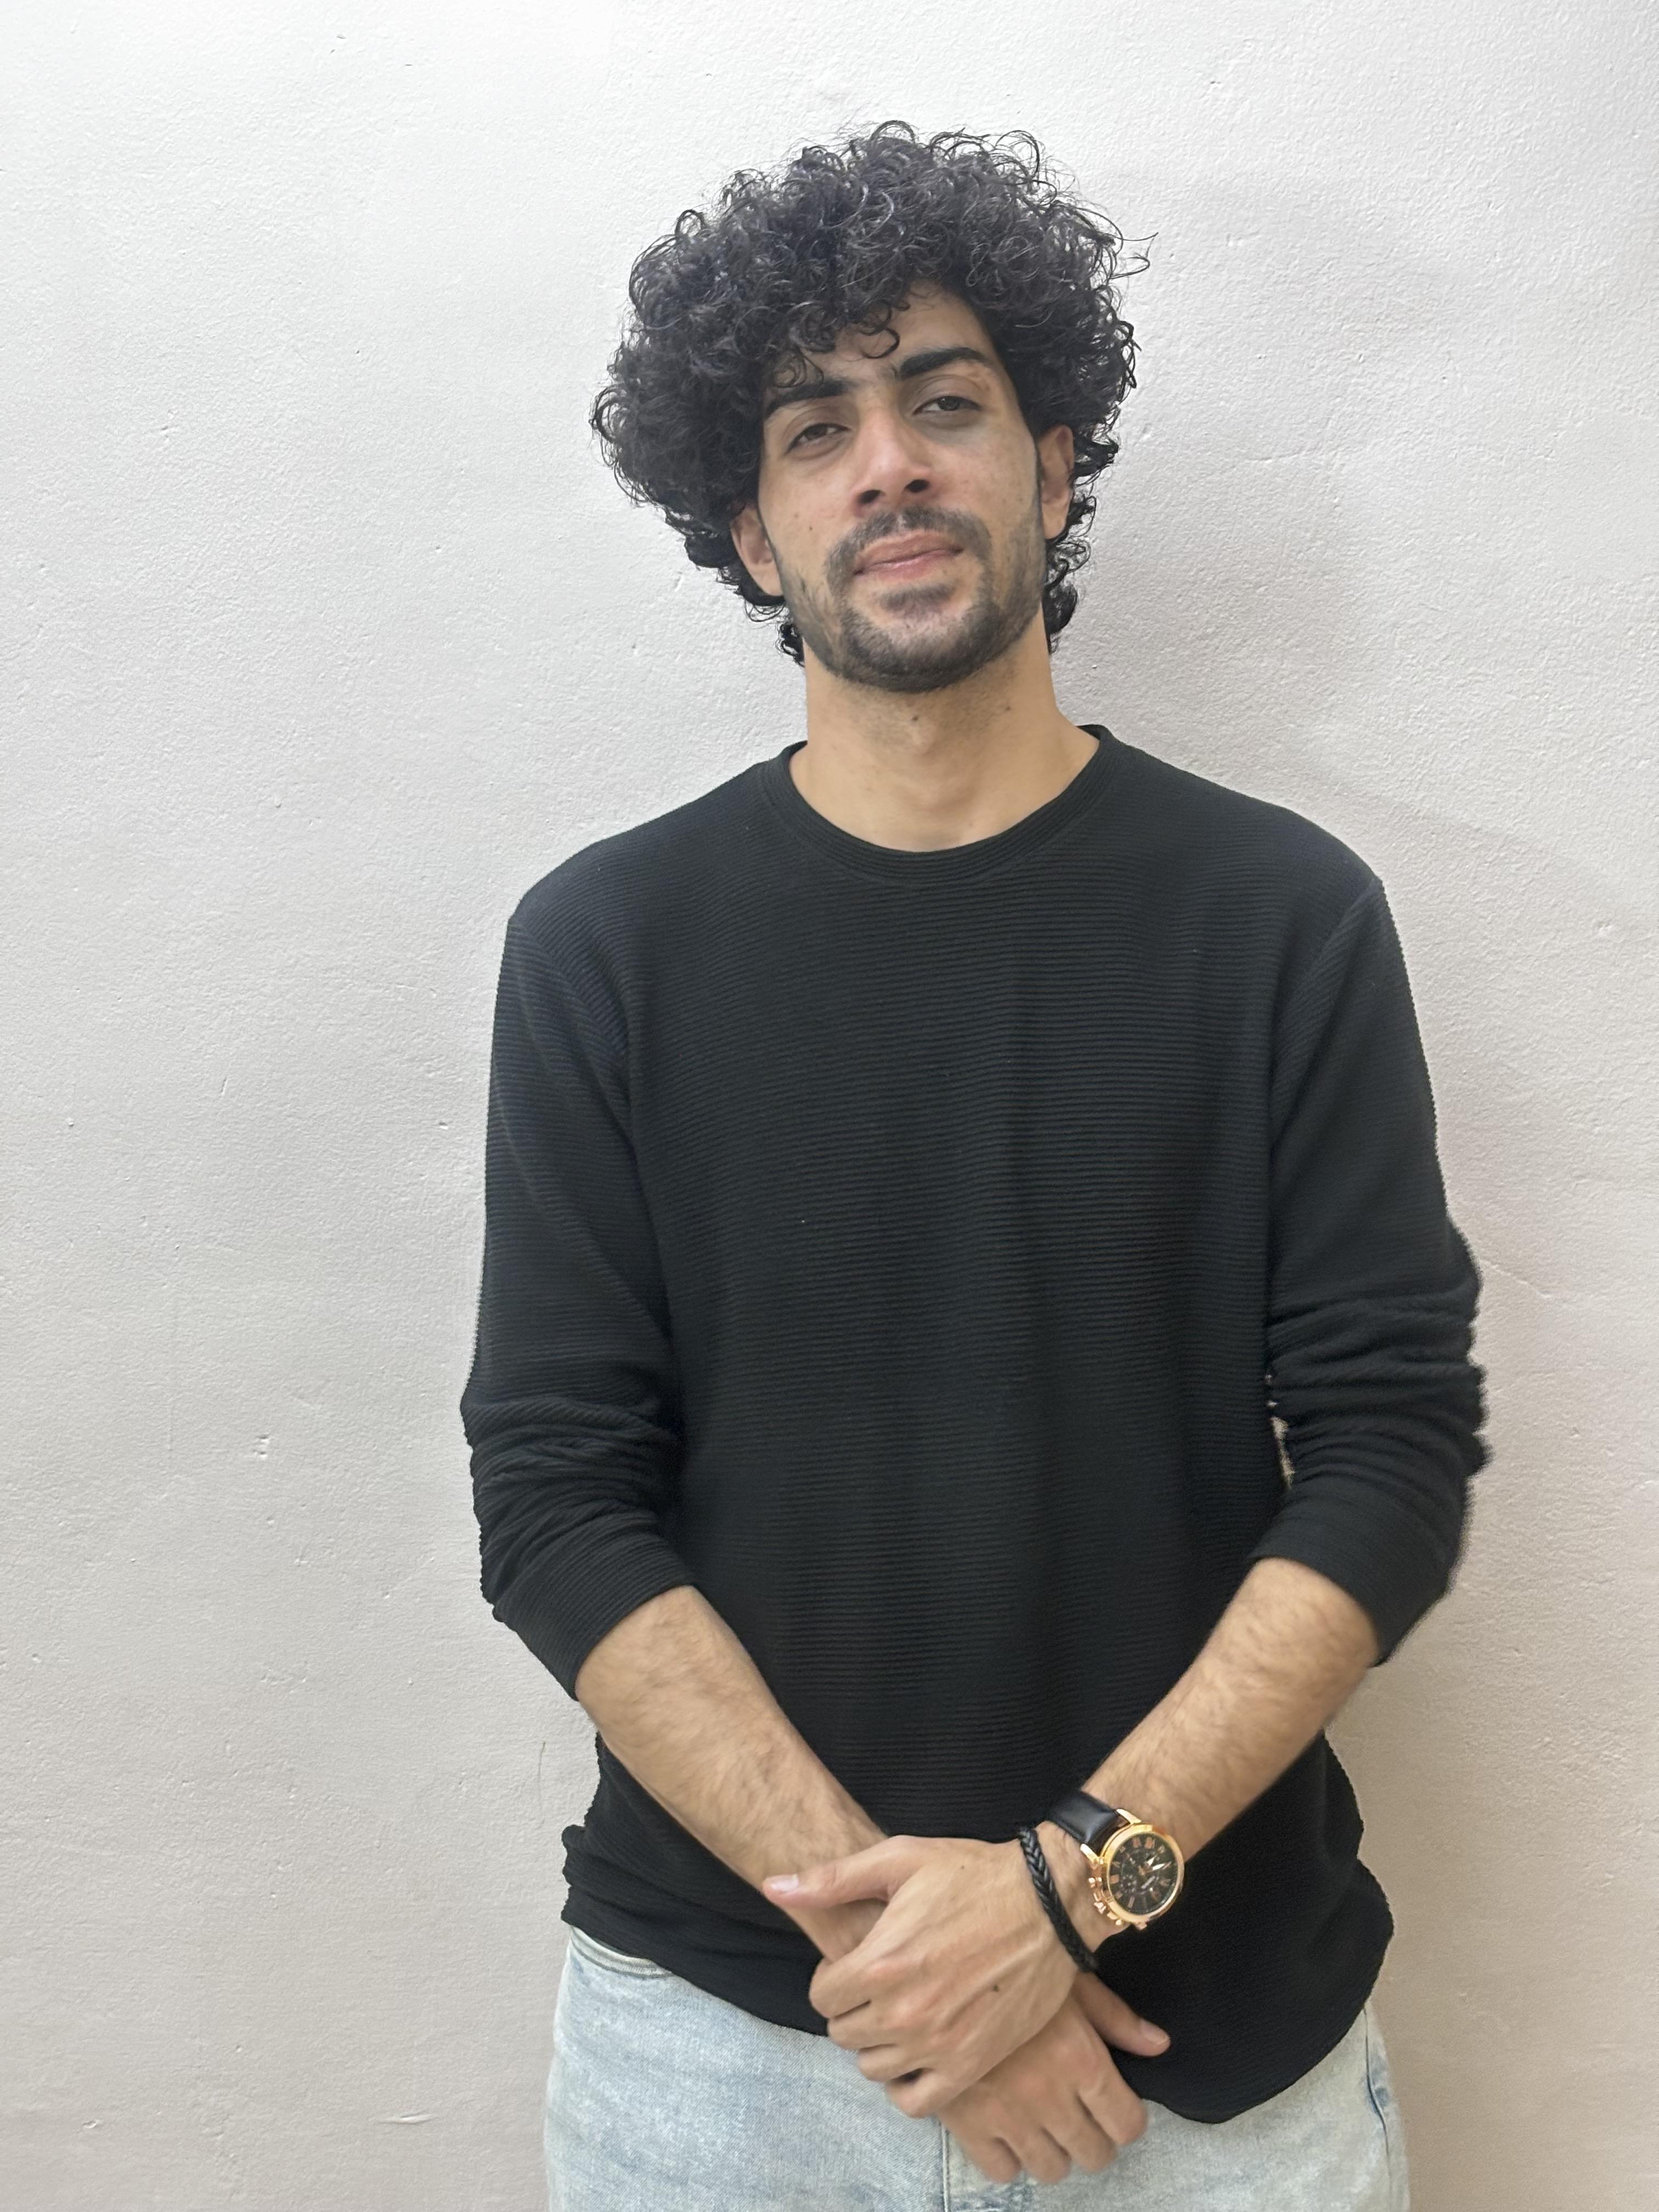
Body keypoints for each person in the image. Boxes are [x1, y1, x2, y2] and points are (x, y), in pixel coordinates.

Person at [458, 120, 1487, 2210]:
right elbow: (555, 1492)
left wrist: (1065, 1891)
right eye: (814, 430)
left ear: (1055, 465)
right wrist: (912, 1956)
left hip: (1205, 2063)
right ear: (752, 535)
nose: (888, 467)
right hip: (725, 2064)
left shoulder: (1280, 921)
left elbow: (1389, 1454)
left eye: (944, 403)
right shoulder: (607, 949)